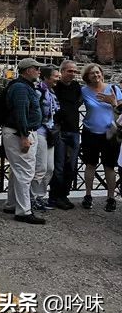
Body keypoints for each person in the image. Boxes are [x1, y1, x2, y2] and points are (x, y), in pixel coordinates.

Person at [2, 58, 45, 224]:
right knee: (25, 172)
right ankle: (24, 211)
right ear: (28, 70)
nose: (39, 71)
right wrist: (24, 136)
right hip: (19, 134)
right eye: (36, 68)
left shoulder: (22, 86)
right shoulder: (21, 88)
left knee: (17, 171)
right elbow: (20, 114)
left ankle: (12, 204)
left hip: (17, 133)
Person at [80, 63, 122, 212]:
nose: (96, 75)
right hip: (90, 132)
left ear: (102, 74)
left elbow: (120, 111)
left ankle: (111, 198)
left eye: (98, 73)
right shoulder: (83, 91)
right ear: (87, 77)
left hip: (110, 134)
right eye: (92, 74)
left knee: (109, 166)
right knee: (90, 164)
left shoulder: (114, 89)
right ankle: (88, 195)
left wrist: (113, 102)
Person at [49, 60, 81, 209]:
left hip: (74, 130)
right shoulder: (55, 87)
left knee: (71, 166)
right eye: (70, 71)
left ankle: (64, 195)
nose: (73, 74)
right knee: (59, 166)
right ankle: (54, 197)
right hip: (60, 130)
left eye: (75, 71)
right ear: (62, 72)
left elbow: (78, 103)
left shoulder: (76, 87)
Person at [31, 66, 60, 211]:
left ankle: (40, 196)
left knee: (50, 168)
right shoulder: (38, 91)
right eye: (55, 76)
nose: (58, 78)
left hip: (50, 132)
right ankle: (33, 198)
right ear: (46, 77)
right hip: (40, 131)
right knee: (40, 167)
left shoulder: (52, 92)